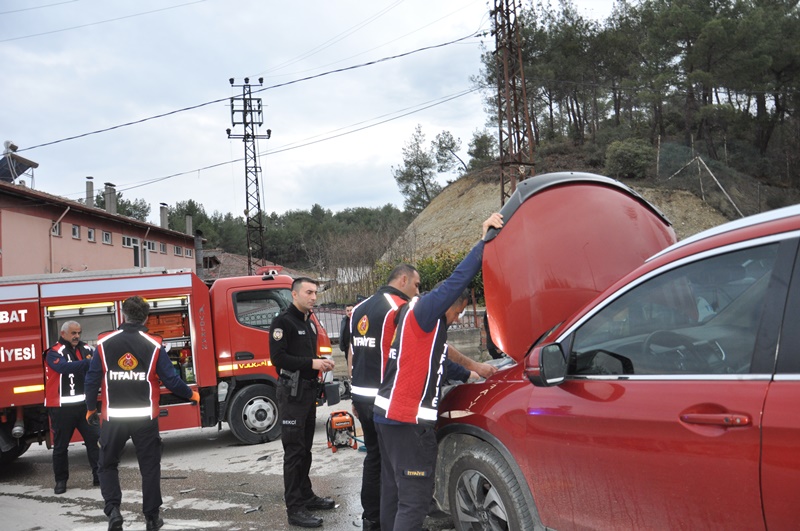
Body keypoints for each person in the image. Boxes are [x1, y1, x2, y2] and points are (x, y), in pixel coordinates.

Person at [373, 212, 504, 531]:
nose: (458, 318)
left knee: (393, 496)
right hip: (407, 423)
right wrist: (484, 239)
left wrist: (473, 371)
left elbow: (439, 359)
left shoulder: (414, 318)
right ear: (448, 304)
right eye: (459, 311)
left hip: (386, 419)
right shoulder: (426, 310)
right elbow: (459, 278)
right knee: (414, 503)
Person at [84, 296, 199, 531]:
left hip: (113, 418)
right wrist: (191, 395)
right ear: (146, 317)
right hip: (145, 418)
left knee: (106, 464)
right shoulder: (154, 344)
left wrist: (89, 408)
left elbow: (92, 378)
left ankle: (113, 510)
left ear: (123, 315)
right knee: (149, 467)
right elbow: (171, 380)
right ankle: (151, 517)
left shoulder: (104, 343)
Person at [270, 277, 336, 528]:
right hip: (291, 393)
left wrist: (319, 360)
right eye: (309, 292)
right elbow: (278, 358)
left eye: (315, 293)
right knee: (294, 452)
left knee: (305, 449)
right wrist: (312, 363)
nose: (313, 297)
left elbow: (304, 356)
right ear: (294, 295)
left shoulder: (307, 322)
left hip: (307, 393)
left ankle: (306, 495)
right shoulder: (282, 322)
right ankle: (294, 509)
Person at [44, 320, 100, 494]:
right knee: (60, 447)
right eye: (73, 333)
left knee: (95, 442)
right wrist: (89, 363)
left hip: (84, 406)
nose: (77, 336)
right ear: (63, 334)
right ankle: (61, 481)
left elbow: (101, 360)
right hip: (61, 408)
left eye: (79, 333)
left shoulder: (87, 350)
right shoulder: (53, 352)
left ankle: (99, 476)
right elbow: (63, 368)